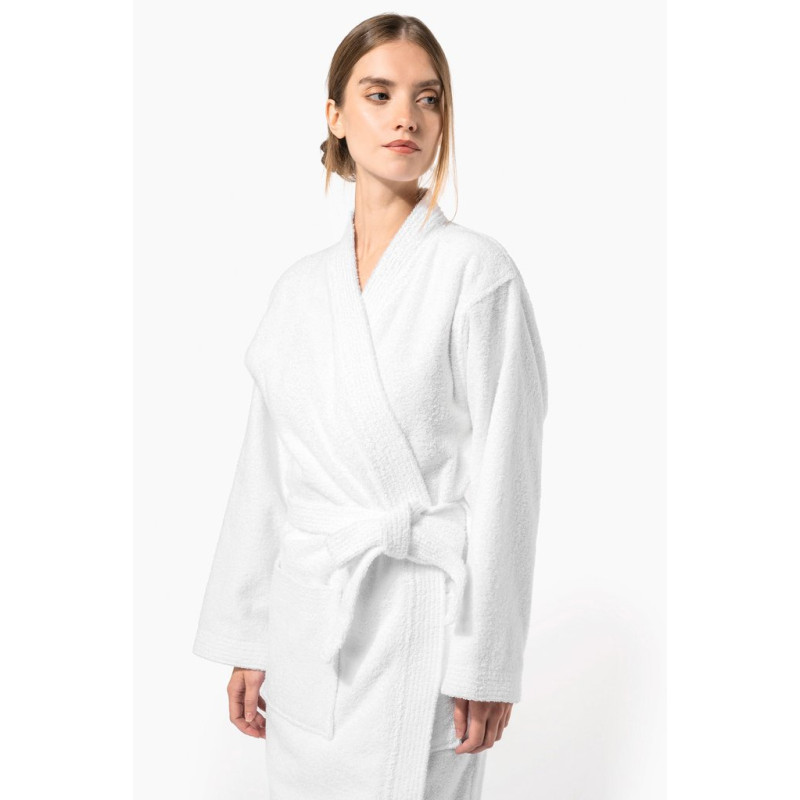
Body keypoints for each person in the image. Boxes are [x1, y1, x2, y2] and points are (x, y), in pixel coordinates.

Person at [192, 12, 548, 800]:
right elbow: (264, 473)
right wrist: (248, 633)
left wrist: (487, 659)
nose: (406, 117)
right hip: (312, 621)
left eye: (428, 98)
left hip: (424, 628)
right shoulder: (298, 291)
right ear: (336, 116)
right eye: (379, 94)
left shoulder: (477, 274)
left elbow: (508, 479)